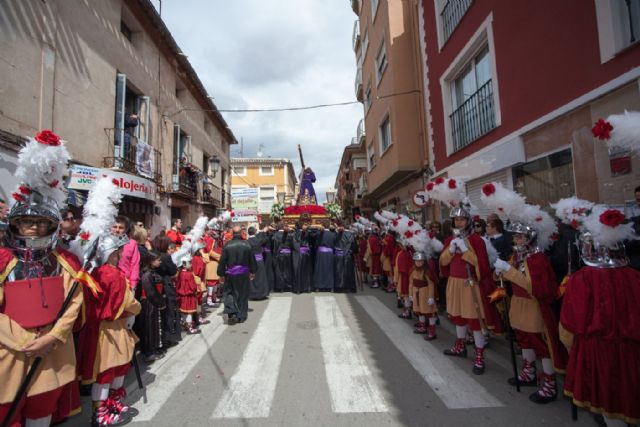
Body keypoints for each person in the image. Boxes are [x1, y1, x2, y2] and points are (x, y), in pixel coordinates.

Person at [0, 130, 87, 427]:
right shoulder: (3, 261)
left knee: (42, 415)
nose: (33, 229)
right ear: (17, 224)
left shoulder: (64, 261)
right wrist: (26, 340)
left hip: (52, 353)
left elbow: (73, 302)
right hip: (9, 354)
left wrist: (52, 337)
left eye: (40, 223)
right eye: (27, 222)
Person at [558, 203, 640, 425]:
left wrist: (570, 349)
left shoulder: (582, 278)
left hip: (597, 350)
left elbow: (568, 322)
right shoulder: (634, 276)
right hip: (632, 351)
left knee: (608, 404)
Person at [491, 206, 567, 404]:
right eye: (516, 238)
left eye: (521, 238)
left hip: (533, 306)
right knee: (524, 340)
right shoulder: (517, 256)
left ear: (530, 239)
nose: (517, 241)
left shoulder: (537, 259)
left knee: (540, 345)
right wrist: (500, 272)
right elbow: (506, 277)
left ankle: (550, 384)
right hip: (517, 303)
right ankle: (529, 372)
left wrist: (509, 271)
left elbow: (533, 287)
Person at [436, 189, 502, 376]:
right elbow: (443, 262)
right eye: (456, 220)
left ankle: (480, 355)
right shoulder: (450, 239)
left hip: (470, 284)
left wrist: (465, 250)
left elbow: (481, 265)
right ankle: (460, 345)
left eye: (462, 220)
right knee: (458, 316)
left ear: (469, 221)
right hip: (454, 283)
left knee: (474, 321)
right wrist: (451, 250)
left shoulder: (476, 240)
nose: (459, 223)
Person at [78, 233, 141, 426]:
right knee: (106, 371)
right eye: (119, 251)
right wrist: (136, 307)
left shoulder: (98, 272)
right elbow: (129, 303)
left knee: (117, 368)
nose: (122, 254)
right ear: (112, 253)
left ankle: (112, 404)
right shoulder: (112, 275)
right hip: (109, 329)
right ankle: (100, 413)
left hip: (111, 328)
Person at [217, 226, 257, 324]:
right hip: (243, 274)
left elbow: (222, 261)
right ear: (241, 233)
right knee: (243, 294)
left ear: (232, 233)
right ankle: (241, 315)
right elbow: (252, 259)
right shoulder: (246, 245)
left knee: (230, 293)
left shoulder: (227, 245)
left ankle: (232, 313)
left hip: (231, 274)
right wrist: (253, 271)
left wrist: (221, 274)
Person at [136, 251, 165, 363]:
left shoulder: (151, 272)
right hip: (149, 304)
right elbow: (151, 292)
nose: (160, 262)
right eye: (158, 260)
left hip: (152, 303)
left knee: (152, 327)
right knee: (148, 328)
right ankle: (148, 352)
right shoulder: (147, 275)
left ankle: (152, 349)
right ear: (151, 261)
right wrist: (160, 302)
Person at [153, 236, 181, 347]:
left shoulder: (153, 254)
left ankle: (160, 339)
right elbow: (174, 271)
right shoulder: (165, 257)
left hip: (155, 285)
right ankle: (168, 337)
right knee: (169, 312)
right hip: (165, 284)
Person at [410, 251, 438, 340]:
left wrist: (431, 296)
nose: (418, 263)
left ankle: (432, 331)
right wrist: (411, 294)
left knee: (429, 313)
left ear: (424, 261)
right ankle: (422, 326)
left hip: (425, 294)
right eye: (417, 261)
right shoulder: (412, 270)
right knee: (419, 311)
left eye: (420, 261)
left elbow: (431, 284)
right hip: (416, 293)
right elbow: (411, 283)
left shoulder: (426, 271)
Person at [113, 216, 140, 291]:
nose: (117, 230)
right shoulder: (104, 242)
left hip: (125, 283)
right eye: (115, 227)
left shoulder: (132, 244)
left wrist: (133, 284)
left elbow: (134, 265)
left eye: (121, 228)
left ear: (126, 229)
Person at [333, 220, 358, 293]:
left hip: (340, 255)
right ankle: (350, 287)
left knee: (340, 272)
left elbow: (333, 243)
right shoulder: (351, 234)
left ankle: (340, 287)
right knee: (348, 271)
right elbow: (355, 247)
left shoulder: (337, 234)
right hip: (347, 255)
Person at [247, 226, 269, 300]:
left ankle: (253, 294)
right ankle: (262, 294)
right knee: (261, 277)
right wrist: (263, 232)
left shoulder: (247, 242)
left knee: (252, 278)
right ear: (255, 232)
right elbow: (266, 239)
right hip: (259, 261)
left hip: (250, 262)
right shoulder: (258, 240)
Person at [312, 223, 336, 291]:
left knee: (320, 270)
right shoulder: (333, 234)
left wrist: (317, 228)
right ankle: (330, 286)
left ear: (322, 226)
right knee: (329, 270)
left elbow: (312, 234)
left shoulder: (319, 233)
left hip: (321, 253)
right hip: (329, 254)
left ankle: (318, 286)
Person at [273, 223, 294, 292]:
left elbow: (275, 246)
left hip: (280, 254)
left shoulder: (276, 235)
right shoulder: (289, 234)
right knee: (288, 270)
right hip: (288, 254)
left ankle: (281, 287)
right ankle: (288, 286)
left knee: (280, 271)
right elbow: (292, 244)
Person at [293, 222, 313, 294]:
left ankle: (303, 288)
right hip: (303, 253)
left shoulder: (304, 232)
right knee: (304, 271)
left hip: (302, 254)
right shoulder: (298, 232)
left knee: (302, 271)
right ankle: (305, 288)